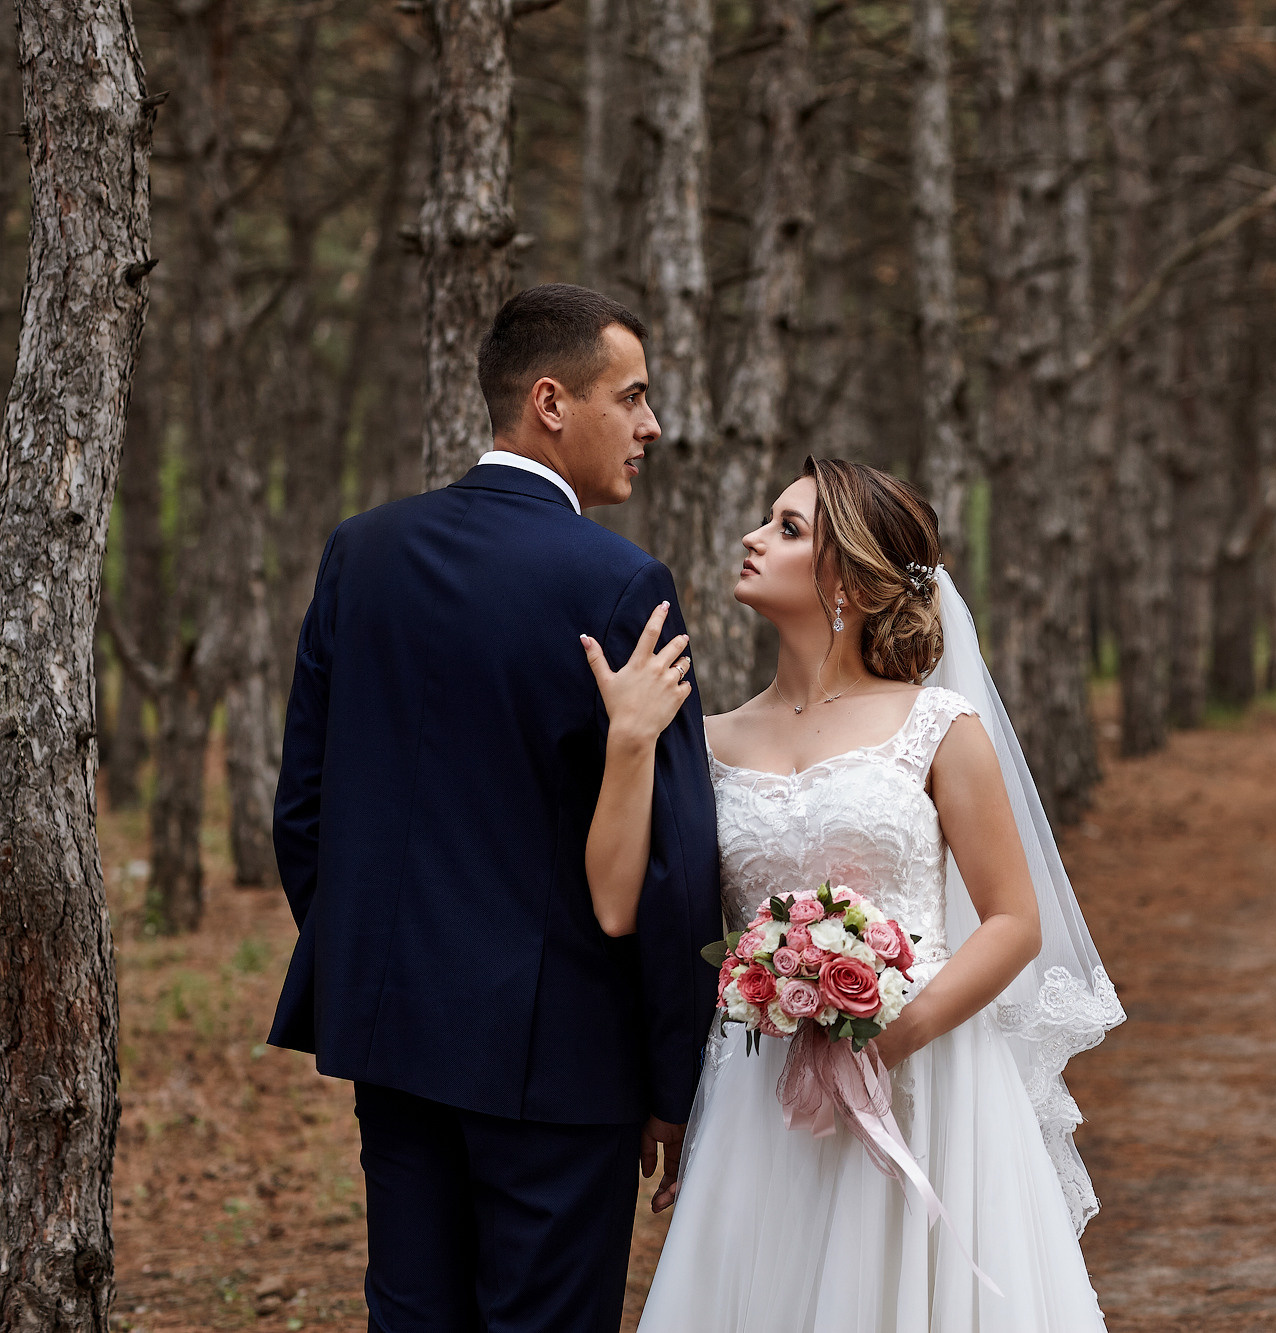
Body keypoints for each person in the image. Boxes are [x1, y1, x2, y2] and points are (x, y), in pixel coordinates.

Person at [268, 284, 718, 1332]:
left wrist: (374, 967)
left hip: (391, 1034)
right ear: (551, 403)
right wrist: (671, 1077)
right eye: (634, 395)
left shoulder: (361, 552)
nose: (651, 425)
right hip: (561, 1059)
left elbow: (303, 809)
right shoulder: (620, 584)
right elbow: (675, 861)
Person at [588, 456, 1125, 1331]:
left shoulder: (936, 726)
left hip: (923, 1078)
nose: (754, 538)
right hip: (761, 1090)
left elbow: (1014, 921)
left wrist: (886, 1039)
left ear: (851, 580)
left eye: (789, 528)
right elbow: (616, 902)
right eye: (768, 521)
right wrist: (627, 745)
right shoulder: (707, 739)